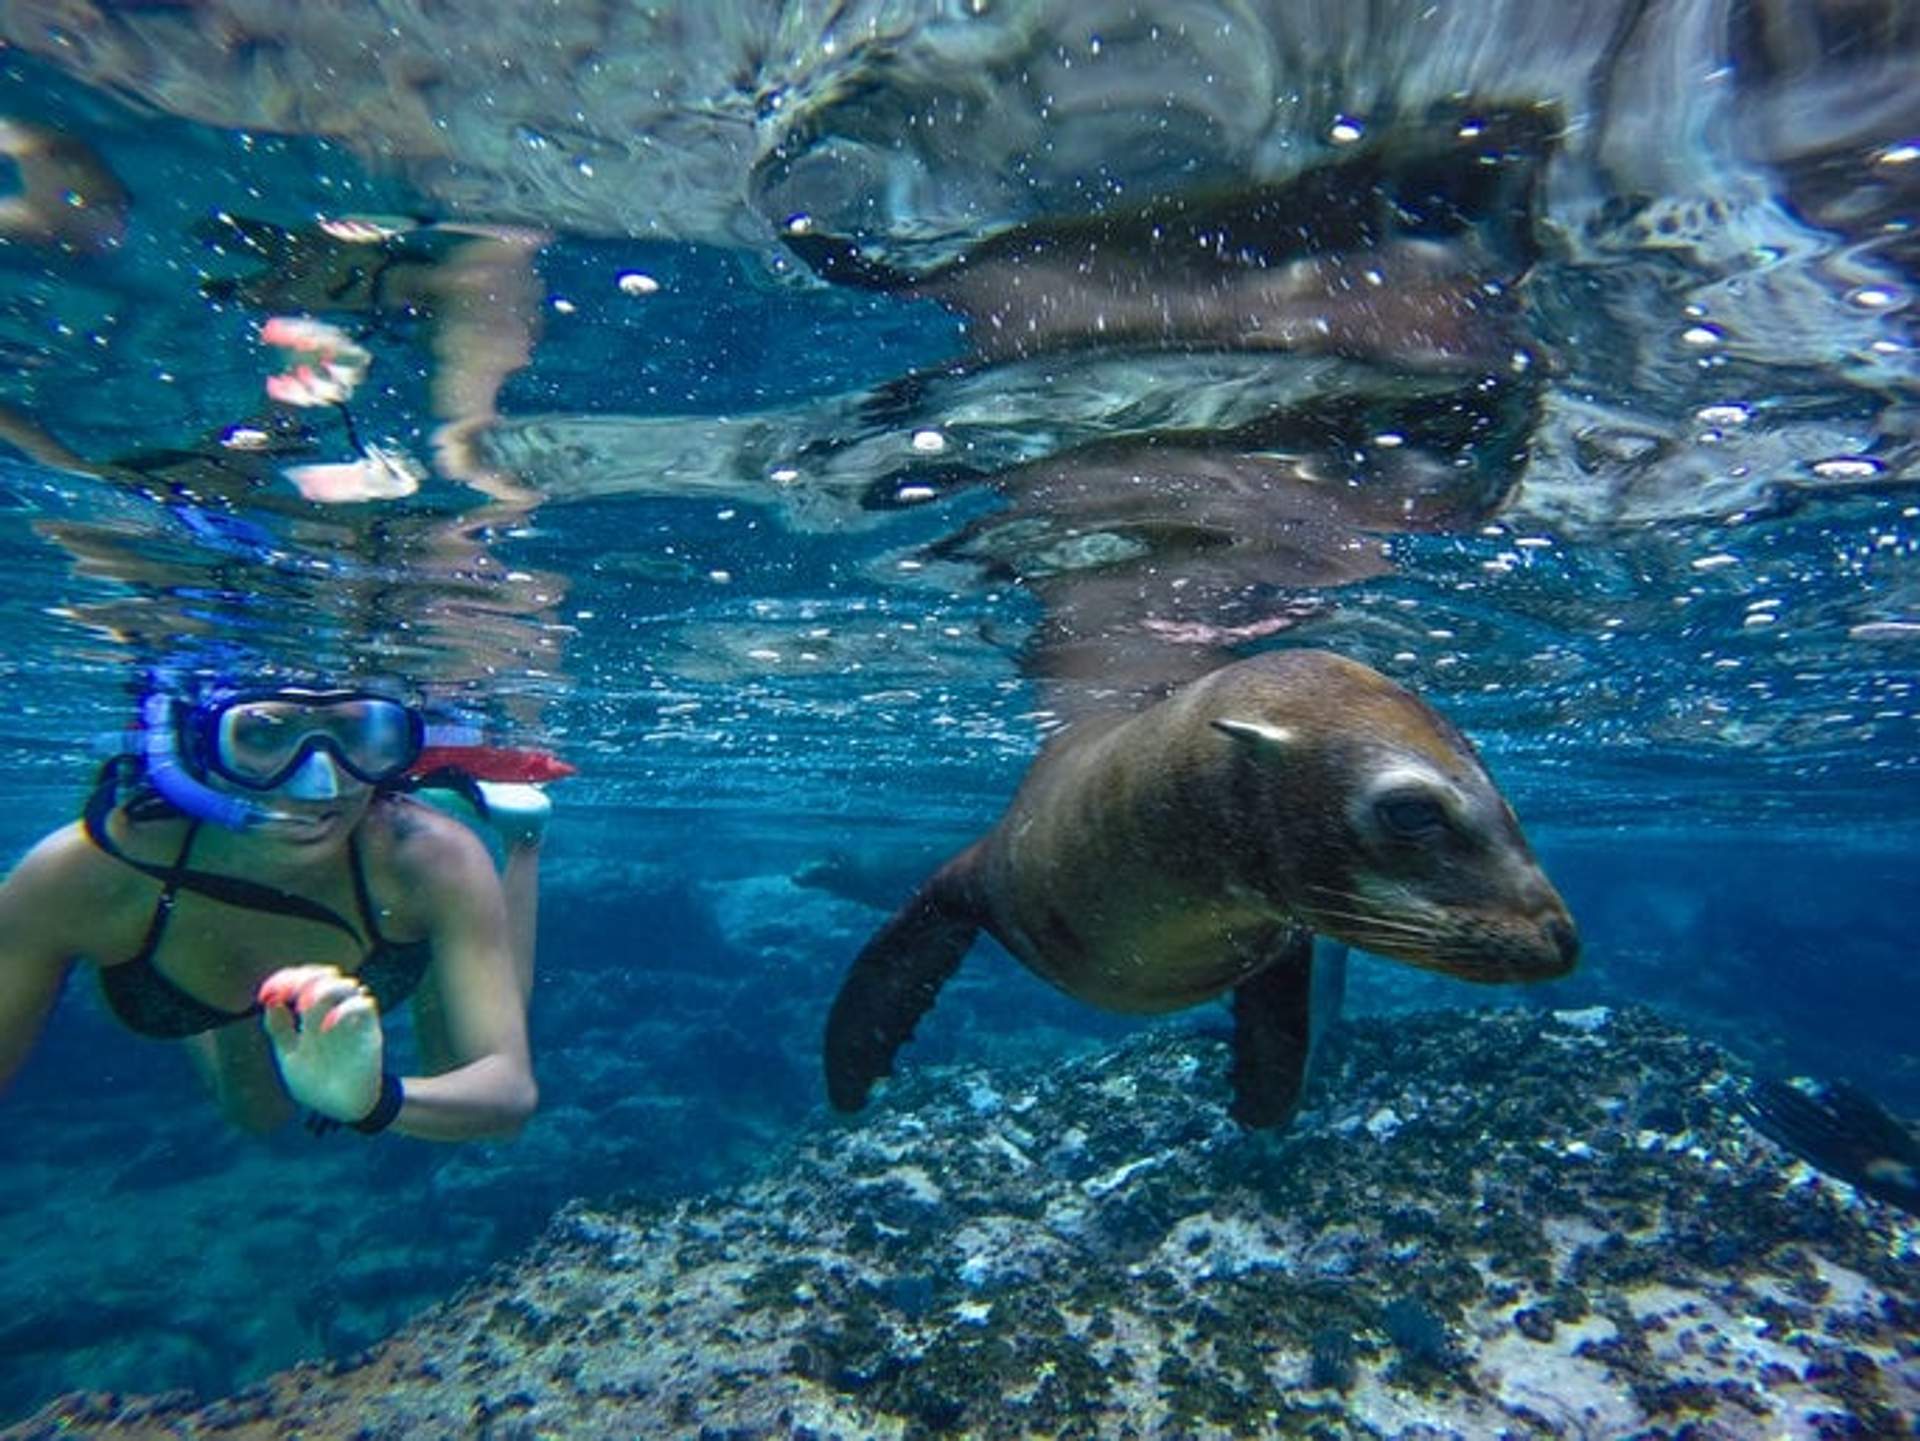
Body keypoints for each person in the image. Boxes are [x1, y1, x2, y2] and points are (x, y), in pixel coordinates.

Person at [0, 674, 555, 1140]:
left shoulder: (426, 858)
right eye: (263, 735)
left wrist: (372, 1100)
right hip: (195, 941)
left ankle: (524, 840)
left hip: (393, 912)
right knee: (259, 1117)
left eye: (359, 734)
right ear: (193, 744)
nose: (320, 784)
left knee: (448, 1072)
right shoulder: (80, 875)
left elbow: (506, 1094)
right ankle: (259, 1014)